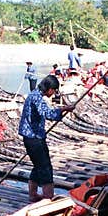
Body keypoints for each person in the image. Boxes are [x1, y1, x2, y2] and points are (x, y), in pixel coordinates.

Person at [18, 75, 75, 203]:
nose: (54, 94)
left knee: (38, 166)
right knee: (45, 168)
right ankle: (48, 199)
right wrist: (65, 109)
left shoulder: (33, 95)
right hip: (34, 138)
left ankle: (33, 195)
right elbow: (47, 113)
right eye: (54, 91)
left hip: (32, 137)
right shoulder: (37, 98)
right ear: (50, 89)